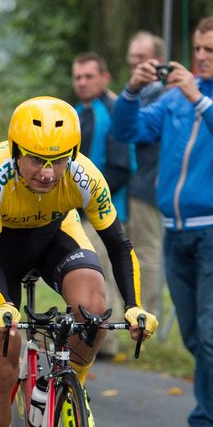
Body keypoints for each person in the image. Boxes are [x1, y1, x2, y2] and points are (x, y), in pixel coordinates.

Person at [0, 96, 156, 427]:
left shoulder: (86, 176)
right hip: (0, 257)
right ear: (15, 150)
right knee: (3, 355)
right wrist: (2, 307)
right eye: (35, 159)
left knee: (94, 307)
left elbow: (118, 244)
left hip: (55, 236)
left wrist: (134, 306)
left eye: (57, 161)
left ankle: (73, 390)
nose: (47, 172)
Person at [113, 14, 213, 427]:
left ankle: (205, 426)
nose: (199, 57)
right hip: (176, 231)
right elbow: (129, 130)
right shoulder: (176, 99)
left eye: (210, 50)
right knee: (196, 335)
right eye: (197, 49)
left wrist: (199, 98)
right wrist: (131, 91)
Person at [71, 52, 134, 355]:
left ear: (105, 78)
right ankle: (97, 339)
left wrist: (88, 196)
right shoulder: (72, 113)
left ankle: (105, 342)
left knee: (100, 274)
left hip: (105, 211)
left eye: (88, 76)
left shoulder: (112, 113)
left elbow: (121, 167)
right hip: (75, 213)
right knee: (89, 274)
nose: (82, 82)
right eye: (78, 77)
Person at [119, 32, 166, 318]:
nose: (136, 63)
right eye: (133, 57)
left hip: (148, 185)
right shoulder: (138, 93)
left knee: (147, 253)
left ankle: (148, 317)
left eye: (142, 57)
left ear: (157, 61)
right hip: (131, 186)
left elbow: (135, 130)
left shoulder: (162, 96)